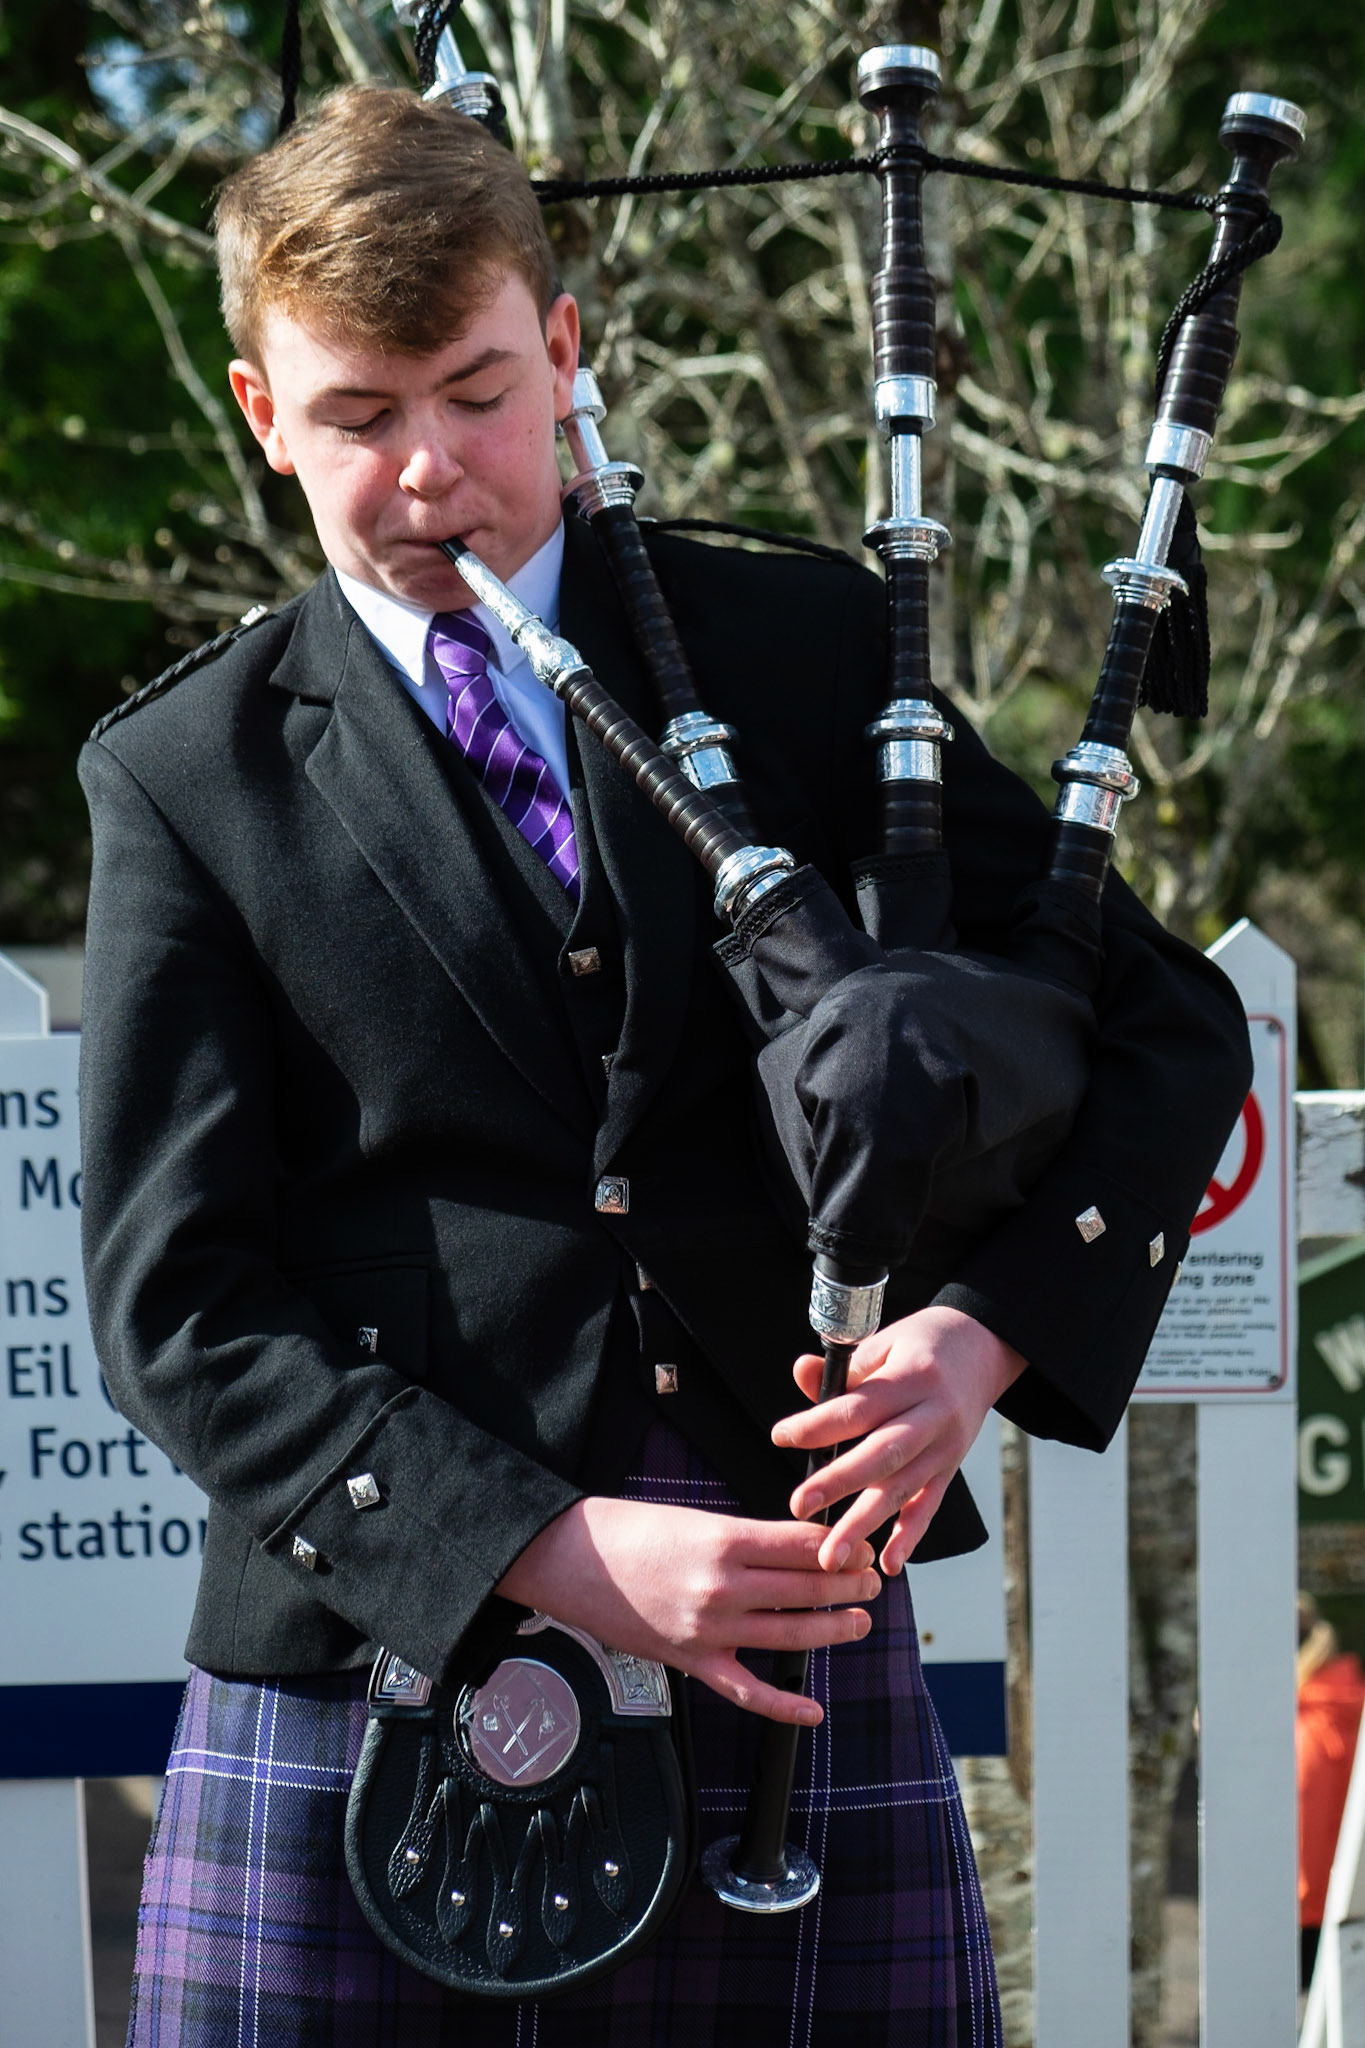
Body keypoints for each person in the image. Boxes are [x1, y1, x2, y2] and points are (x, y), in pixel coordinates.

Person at [78, 84, 1251, 2048]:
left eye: (474, 391)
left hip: (776, 1620)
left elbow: (1162, 1022)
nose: (432, 470)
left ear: (567, 347)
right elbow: (175, 1301)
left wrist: (975, 1338)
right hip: (377, 1616)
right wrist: (543, 1548)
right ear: (260, 413)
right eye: (358, 418)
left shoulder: (793, 648)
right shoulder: (192, 775)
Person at [1297, 1592, 1365, 1987]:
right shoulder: (1346, 1704)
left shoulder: (1307, 1723)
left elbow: (1308, 1823)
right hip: (1348, 1898)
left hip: (1306, 1907)